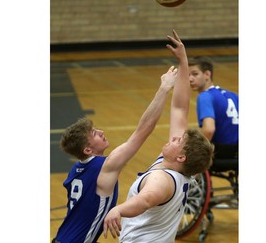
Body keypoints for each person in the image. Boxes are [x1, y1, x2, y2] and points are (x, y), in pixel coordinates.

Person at [103, 30, 214, 243]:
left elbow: (145, 200)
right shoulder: (176, 168)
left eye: (178, 141)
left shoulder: (161, 179)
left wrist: (118, 210)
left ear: (181, 157)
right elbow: (180, 108)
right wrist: (183, 60)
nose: (174, 138)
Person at [52, 63, 180, 243]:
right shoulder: (104, 166)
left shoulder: (77, 169)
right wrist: (164, 88)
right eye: (95, 134)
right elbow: (143, 130)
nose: (102, 132)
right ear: (88, 150)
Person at [188, 56, 239, 171]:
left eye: (194, 74)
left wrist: (197, 151)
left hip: (218, 153)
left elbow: (209, 129)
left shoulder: (205, 96)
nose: (190, 79)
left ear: (207, 74)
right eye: (188, 75)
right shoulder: (233, 95)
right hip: (237, 153)